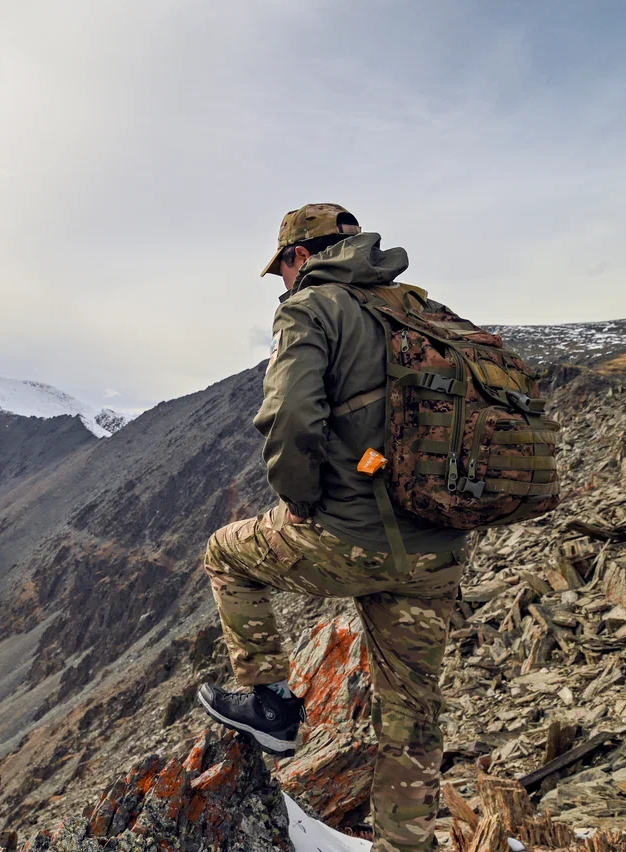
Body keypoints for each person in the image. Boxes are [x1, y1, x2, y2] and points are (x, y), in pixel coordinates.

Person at [196, 203, 470, 852]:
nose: (282, 282)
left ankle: (270, 704)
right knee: (411, 711)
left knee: (225, 553)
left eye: (281, 270)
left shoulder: (309, 307)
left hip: (353, 538)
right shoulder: (419, 308)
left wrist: (298, 500)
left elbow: (291, 417)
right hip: (436, 548)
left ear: (299, 256)